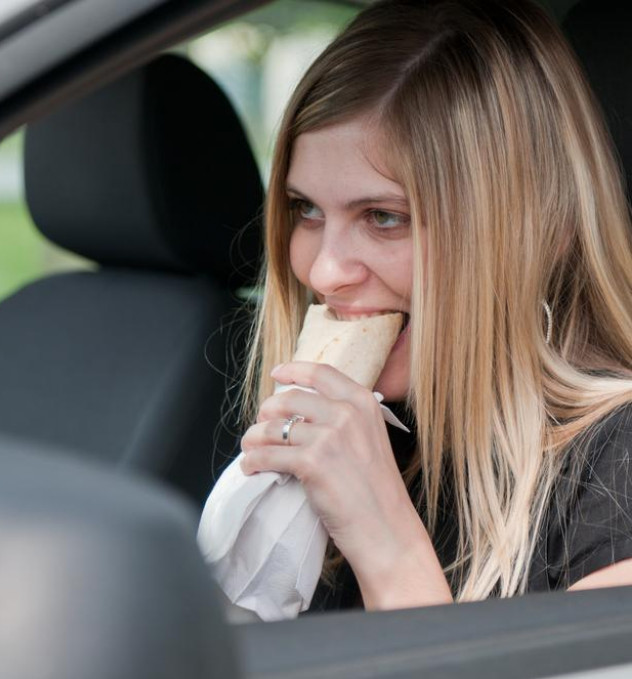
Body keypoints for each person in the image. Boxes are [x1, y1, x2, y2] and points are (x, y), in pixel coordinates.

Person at [236, 0, 632, 611]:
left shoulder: (616, 467)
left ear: (538, 233)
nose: (323, 271)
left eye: (385, 217)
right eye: (306, 209)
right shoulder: (360, 432)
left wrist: (386, 546)